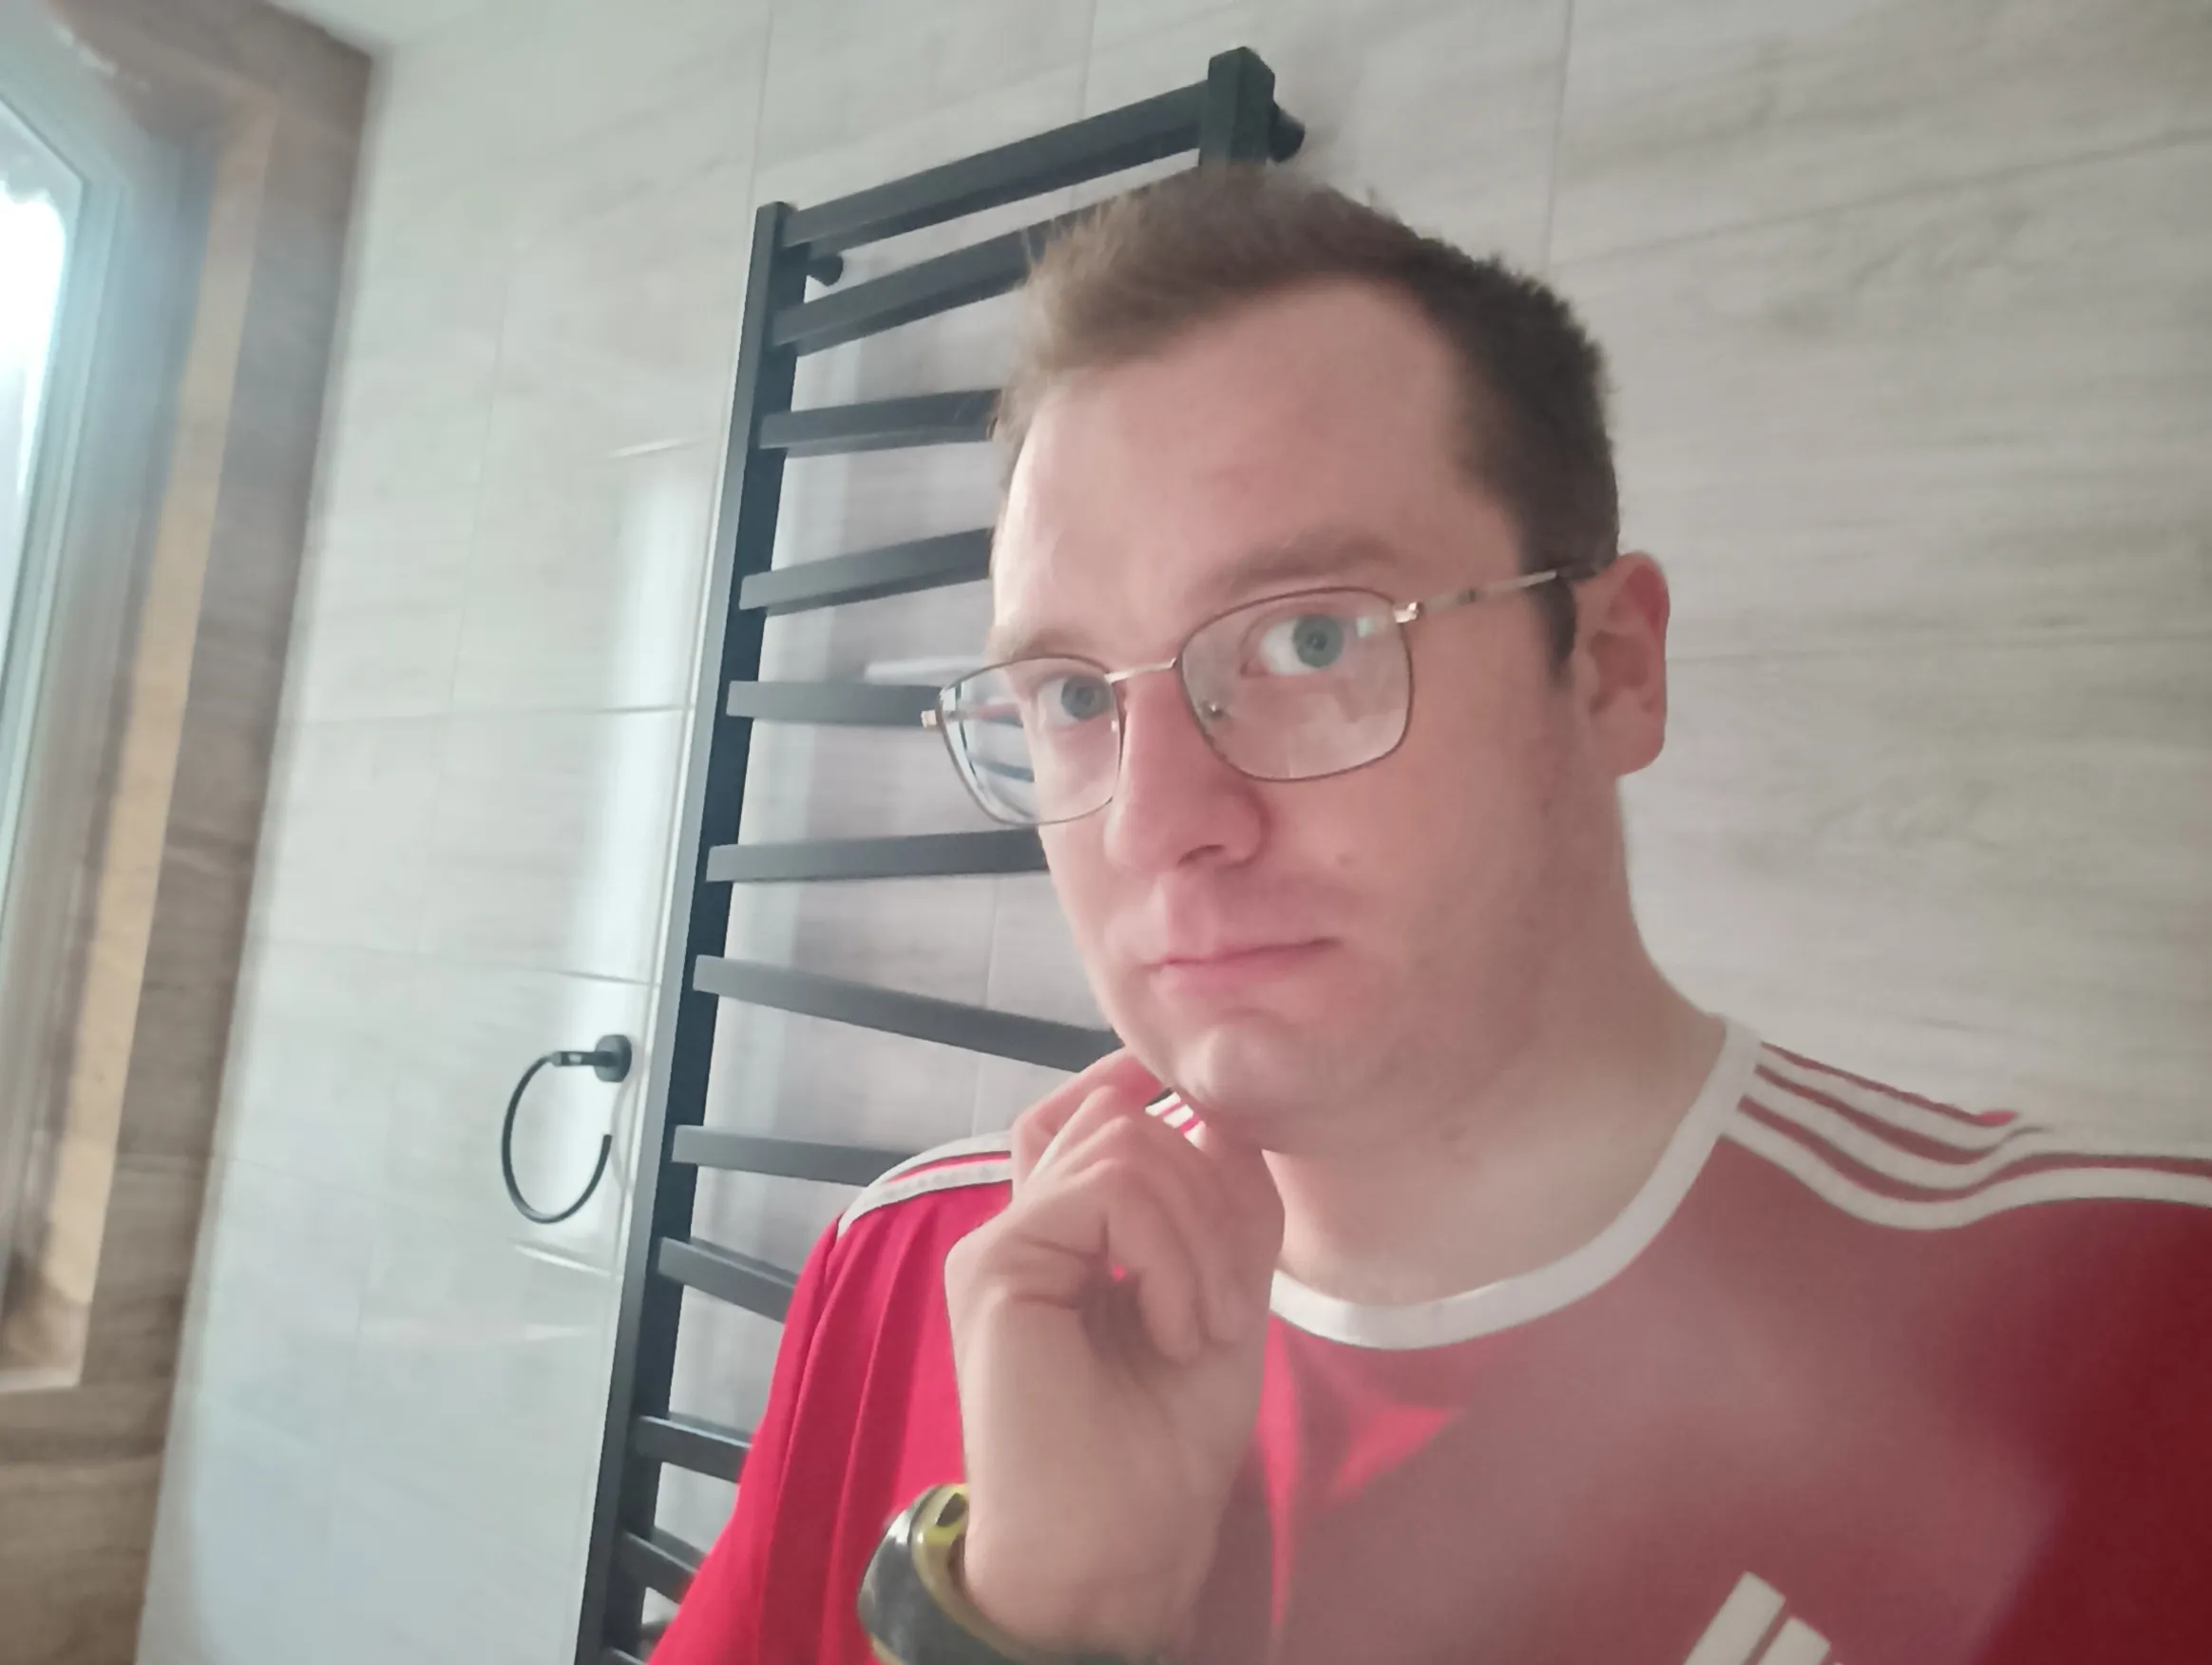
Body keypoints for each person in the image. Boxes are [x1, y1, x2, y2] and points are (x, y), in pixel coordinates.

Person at [650, 168, 2212, 1665]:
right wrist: (1036, 1628)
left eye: (1311, 640)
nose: (1154, 824)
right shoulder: (924, 1275)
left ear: (1610, 670)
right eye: (1071, 695)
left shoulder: (2136, 1343)